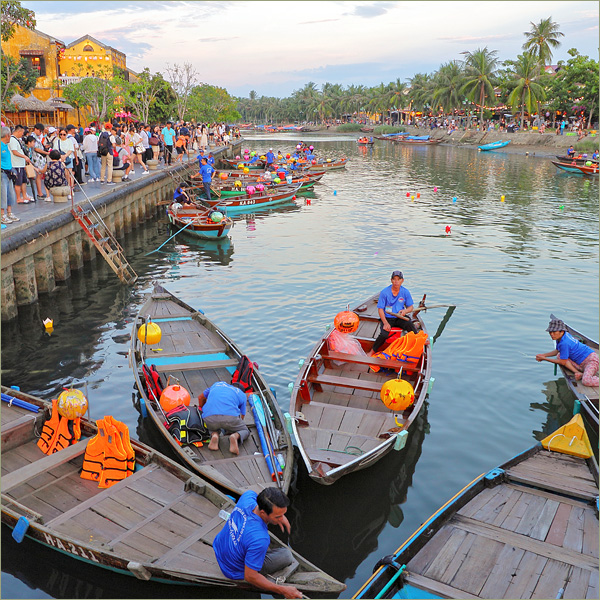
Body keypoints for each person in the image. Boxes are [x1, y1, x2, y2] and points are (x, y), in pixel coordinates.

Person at [212, 487, 302, 599]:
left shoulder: (247, 496)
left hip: (219, 546)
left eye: (283, 514)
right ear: (263, 512)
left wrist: (279, 517)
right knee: (286, 555)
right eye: (278, 516)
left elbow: (255, 495)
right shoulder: (261, 539)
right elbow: (250, 576)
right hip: (232, 570)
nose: (282, 519)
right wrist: (283, 590)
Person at [536, 319, 599, 387]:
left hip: (591, 360)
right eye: (550, 332)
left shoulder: (564, 343)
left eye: (554, 332)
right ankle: (578, 372)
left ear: (562, 331)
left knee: (586, 381)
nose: (551, 334)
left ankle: (586, 375)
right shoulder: (562, 337)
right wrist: (544, 355)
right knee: (559, 355)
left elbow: (563, 362)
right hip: (581, 363)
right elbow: (557, 351)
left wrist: (544, 359)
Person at [369, 270, 418, 355]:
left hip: (399, 317)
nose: (396, 282)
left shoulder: (405, 292)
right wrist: (385, 323)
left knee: (410, 325)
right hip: (387, 318)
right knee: (384, 334)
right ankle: (372, 351)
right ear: (391, 280)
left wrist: (405, 311)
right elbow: (380, 309)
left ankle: (418, 341)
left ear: (402, 280)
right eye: (394, 279)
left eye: (398, 279)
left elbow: (411, 307)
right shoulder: (385, 292)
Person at [198, 381, 249, 454]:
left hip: (210, 417)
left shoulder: (217, 384)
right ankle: (235, 436)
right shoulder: (242, 394)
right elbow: (242, 415)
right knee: (245, 431)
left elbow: (200, 398)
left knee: (209, 427)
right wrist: (233, 428)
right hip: (230, 418)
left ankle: (214, 434)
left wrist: (203, 411)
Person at [8, 124, 33, 204]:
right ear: (18, 131)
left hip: (21, 164)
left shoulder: (17, 139)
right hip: (16, 164)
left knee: (23, 181)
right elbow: (14, 151)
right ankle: (18, 198)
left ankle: (24, 195)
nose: (23, 134)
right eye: (22, 132)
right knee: (18, 182)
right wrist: (24, 156)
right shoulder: (12, 140)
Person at [1, 126, 20, 223]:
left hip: (9, 172)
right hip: (2, 172)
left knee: (10, 193)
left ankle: (9, 212)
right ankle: (2, 214)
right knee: (3, 194)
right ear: (7, 135)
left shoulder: (5, 145)